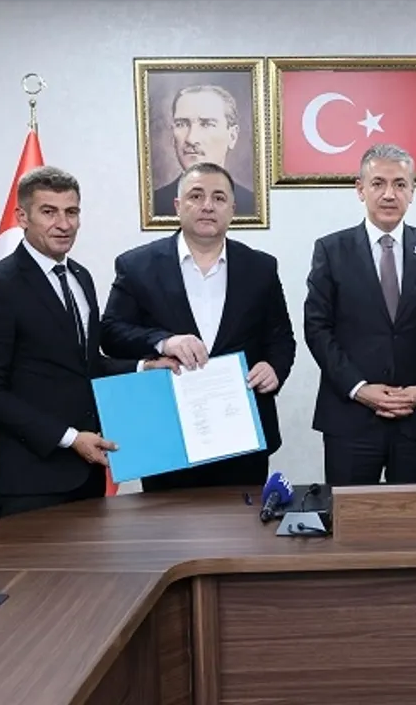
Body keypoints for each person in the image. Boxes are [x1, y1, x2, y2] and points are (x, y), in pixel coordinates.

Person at [0, 166, 171, 519]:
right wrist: (71, 438)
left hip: (88, 473)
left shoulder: (79, 276)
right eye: (49, 212)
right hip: (33, 479)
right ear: (22, 217)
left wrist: (143, 366)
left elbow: (85, 365)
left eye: (71, 212)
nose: (63, 224)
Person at [102, 161, 296, 491]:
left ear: (232, 209)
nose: (207, 205)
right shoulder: (137, 266)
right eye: (196, 196)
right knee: (170, 522)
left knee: (242, 522)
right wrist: (163, 342)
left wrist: (274, 368)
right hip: (168, 432)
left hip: (242, 433)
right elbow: (110, 333)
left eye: (219, 198)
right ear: (178, 206)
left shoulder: (260, 267)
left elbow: (281, 338)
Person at [304, 143, 416, 485]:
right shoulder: (331, 250)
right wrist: (359, 388)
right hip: (350, 419)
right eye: (378, 183)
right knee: (350, 516)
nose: (389, 194)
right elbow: (317, 328)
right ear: (360, 189)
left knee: (414, 513)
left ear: (412, 192)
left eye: (400, 184)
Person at [152, 84, 256, 217]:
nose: (191, 139)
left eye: (207, 124)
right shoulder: (156, 203)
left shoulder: (250, 203)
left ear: (232, 136)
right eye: (181, 124)